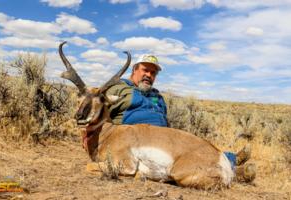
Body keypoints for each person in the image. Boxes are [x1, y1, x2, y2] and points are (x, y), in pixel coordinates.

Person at [104, 54, 255, 182]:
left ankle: (229, 162)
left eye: (153, 73)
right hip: (137, 139)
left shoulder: (157, 96)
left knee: (195, 148)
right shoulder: (120, 89)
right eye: (145, 70)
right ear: (134, 70)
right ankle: (233, 165)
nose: (149, 75)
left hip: (163, 138)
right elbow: (100, 112)